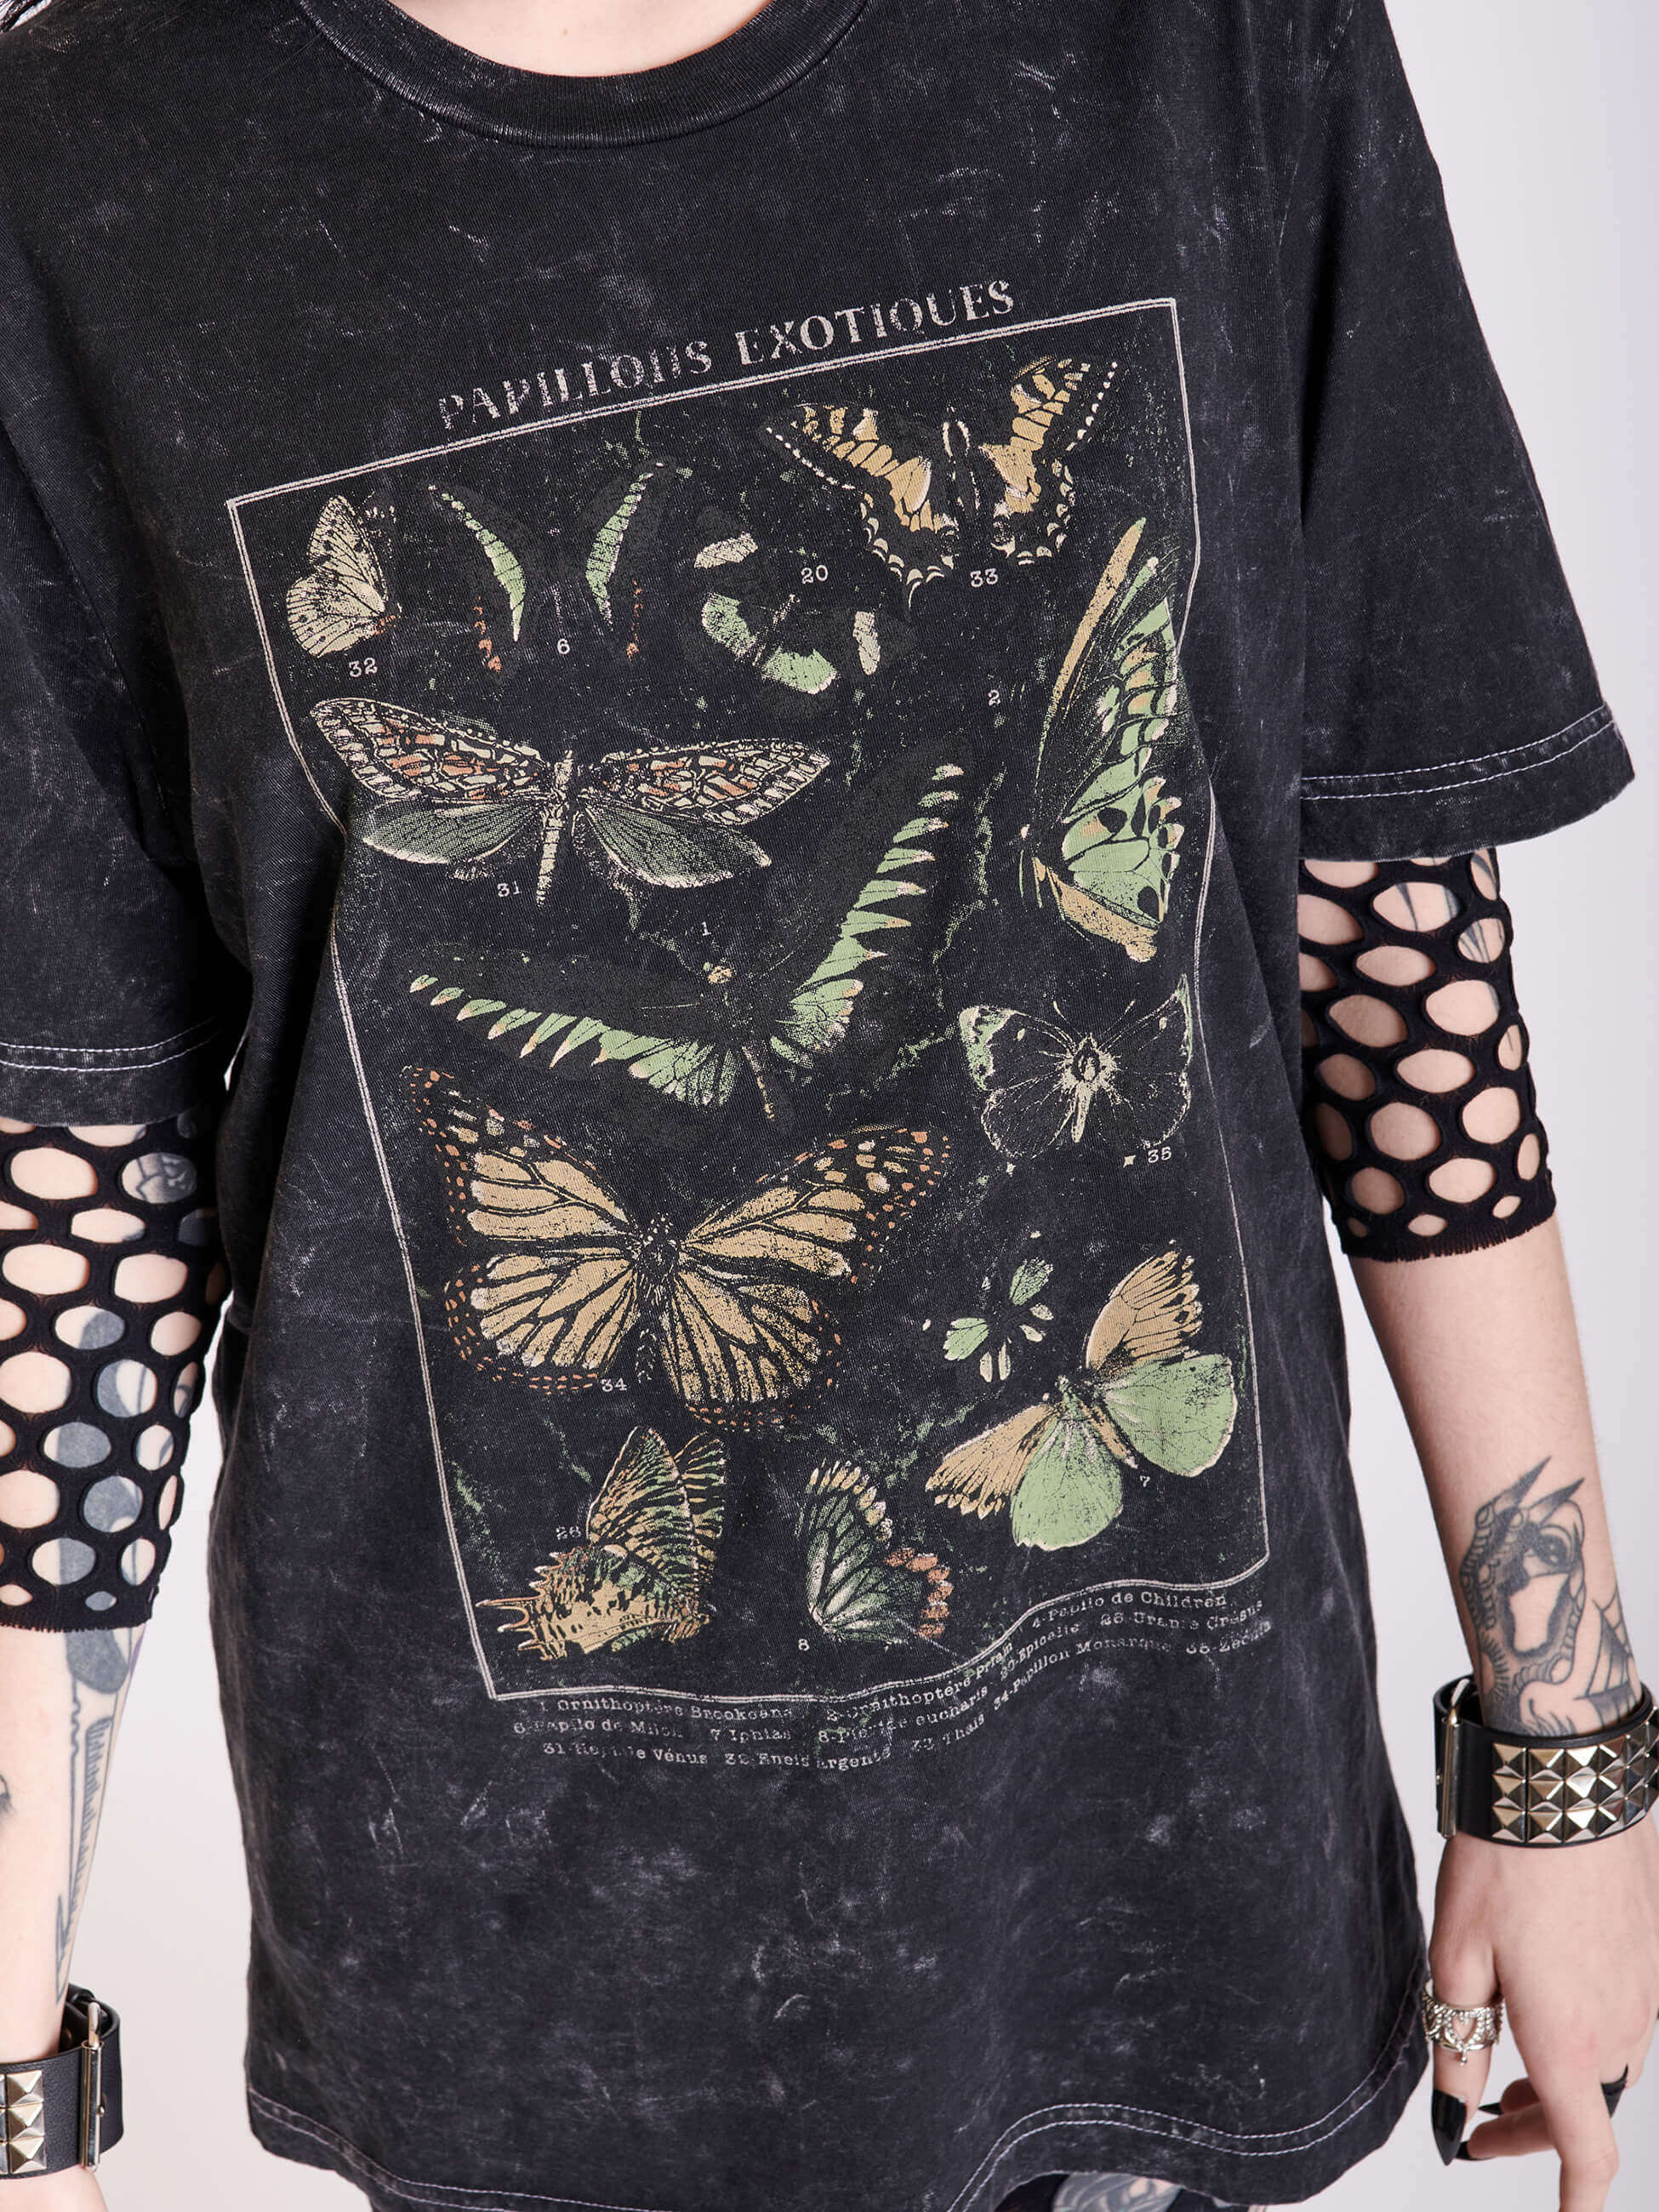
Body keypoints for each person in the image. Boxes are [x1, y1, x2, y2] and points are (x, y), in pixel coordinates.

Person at [0, 3, 1652, 2209]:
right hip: (533, 1960)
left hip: (1144, 1852)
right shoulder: (82, 160)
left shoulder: (1207, 39)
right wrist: (11, 2074)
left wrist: (1573, 1753)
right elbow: (74, 1194)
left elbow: (1390, 936)